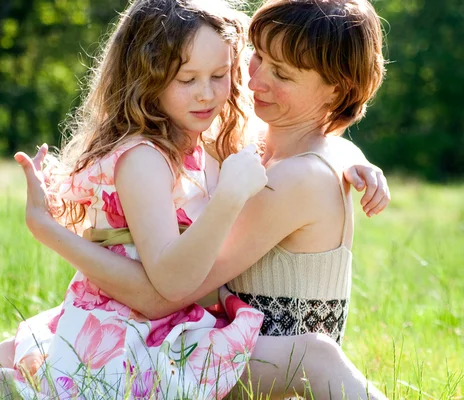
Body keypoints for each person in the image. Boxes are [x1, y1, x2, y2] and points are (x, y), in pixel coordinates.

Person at [3, 0, 391, 398]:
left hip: (246, 351)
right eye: (257, 57)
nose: (254, 81)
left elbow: (163, 295)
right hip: (210, 333)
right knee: (30, 349)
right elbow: (320, 144)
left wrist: (48, 231)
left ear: (337, 90)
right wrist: (354, 157)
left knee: (43, 356)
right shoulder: (261, 147)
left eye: (282, 75)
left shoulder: (295, 177)